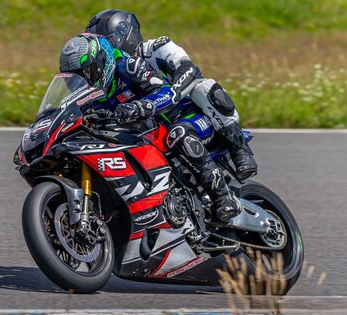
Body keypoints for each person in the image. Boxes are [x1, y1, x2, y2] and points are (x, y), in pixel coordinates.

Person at [59, 33, 241, 224]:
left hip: (181, 119)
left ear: (103, 61)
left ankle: (223, 196)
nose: (86, 80)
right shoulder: (91, 99)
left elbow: (165, 91)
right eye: (78, 77)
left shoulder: (129, 67)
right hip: (141, 138)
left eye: (89, 72)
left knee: (179, 135)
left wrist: (140, 106)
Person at [85, 9, 257, 182]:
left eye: (109, 40)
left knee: (203, 87)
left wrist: (169, 94)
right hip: (148, 130)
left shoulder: (156, 48)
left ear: (126, 33)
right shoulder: (109, 76)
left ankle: (239, 149)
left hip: (187, 114)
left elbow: (188, 69)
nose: (105, 48)